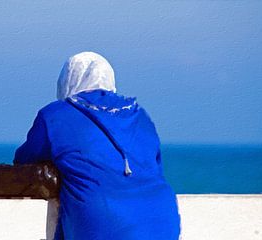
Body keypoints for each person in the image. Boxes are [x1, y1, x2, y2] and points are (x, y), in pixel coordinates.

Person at [13, 52, 181, 240]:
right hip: (163, 221)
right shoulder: (140, 116)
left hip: (102, 227)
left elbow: (23, 161)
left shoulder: (54, 115)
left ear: (67, 81)